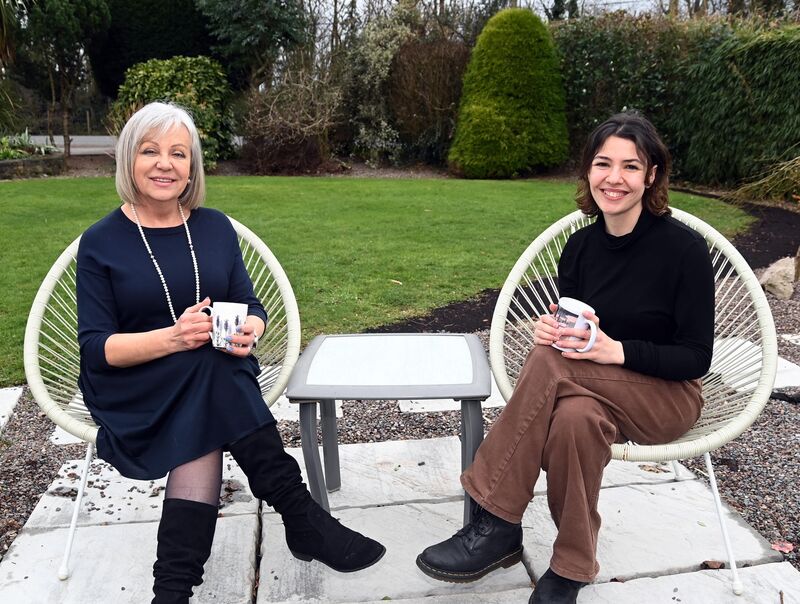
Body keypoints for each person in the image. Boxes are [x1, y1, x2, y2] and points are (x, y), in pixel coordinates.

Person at [77, 102, 385, 604]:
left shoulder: (215, 228)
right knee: (214, 369)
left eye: (179, 153)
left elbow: (252, 304)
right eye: (150, 151)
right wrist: (174, 338)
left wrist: (251, 330)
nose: (164, 163)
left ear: (192, 166)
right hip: (136, 385)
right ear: (129, 159)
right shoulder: (101, 242)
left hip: (206, 382)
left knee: (215, 370)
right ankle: (301, 516)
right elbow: (95, 349)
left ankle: (172, 593)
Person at [415, 112, 714, 604]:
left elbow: (695, 357)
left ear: (652, 175)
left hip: (668, 396)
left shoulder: (683, 249)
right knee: (574, 418)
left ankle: (495, 521)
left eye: (631, 167)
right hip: (592, 389)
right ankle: (571, 567)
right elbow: (576, 332)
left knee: (552, 365)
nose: (614, 178)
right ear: (587, 171)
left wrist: (614, 350)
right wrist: (555, 332)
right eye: (603, 164)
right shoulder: (578, 247)